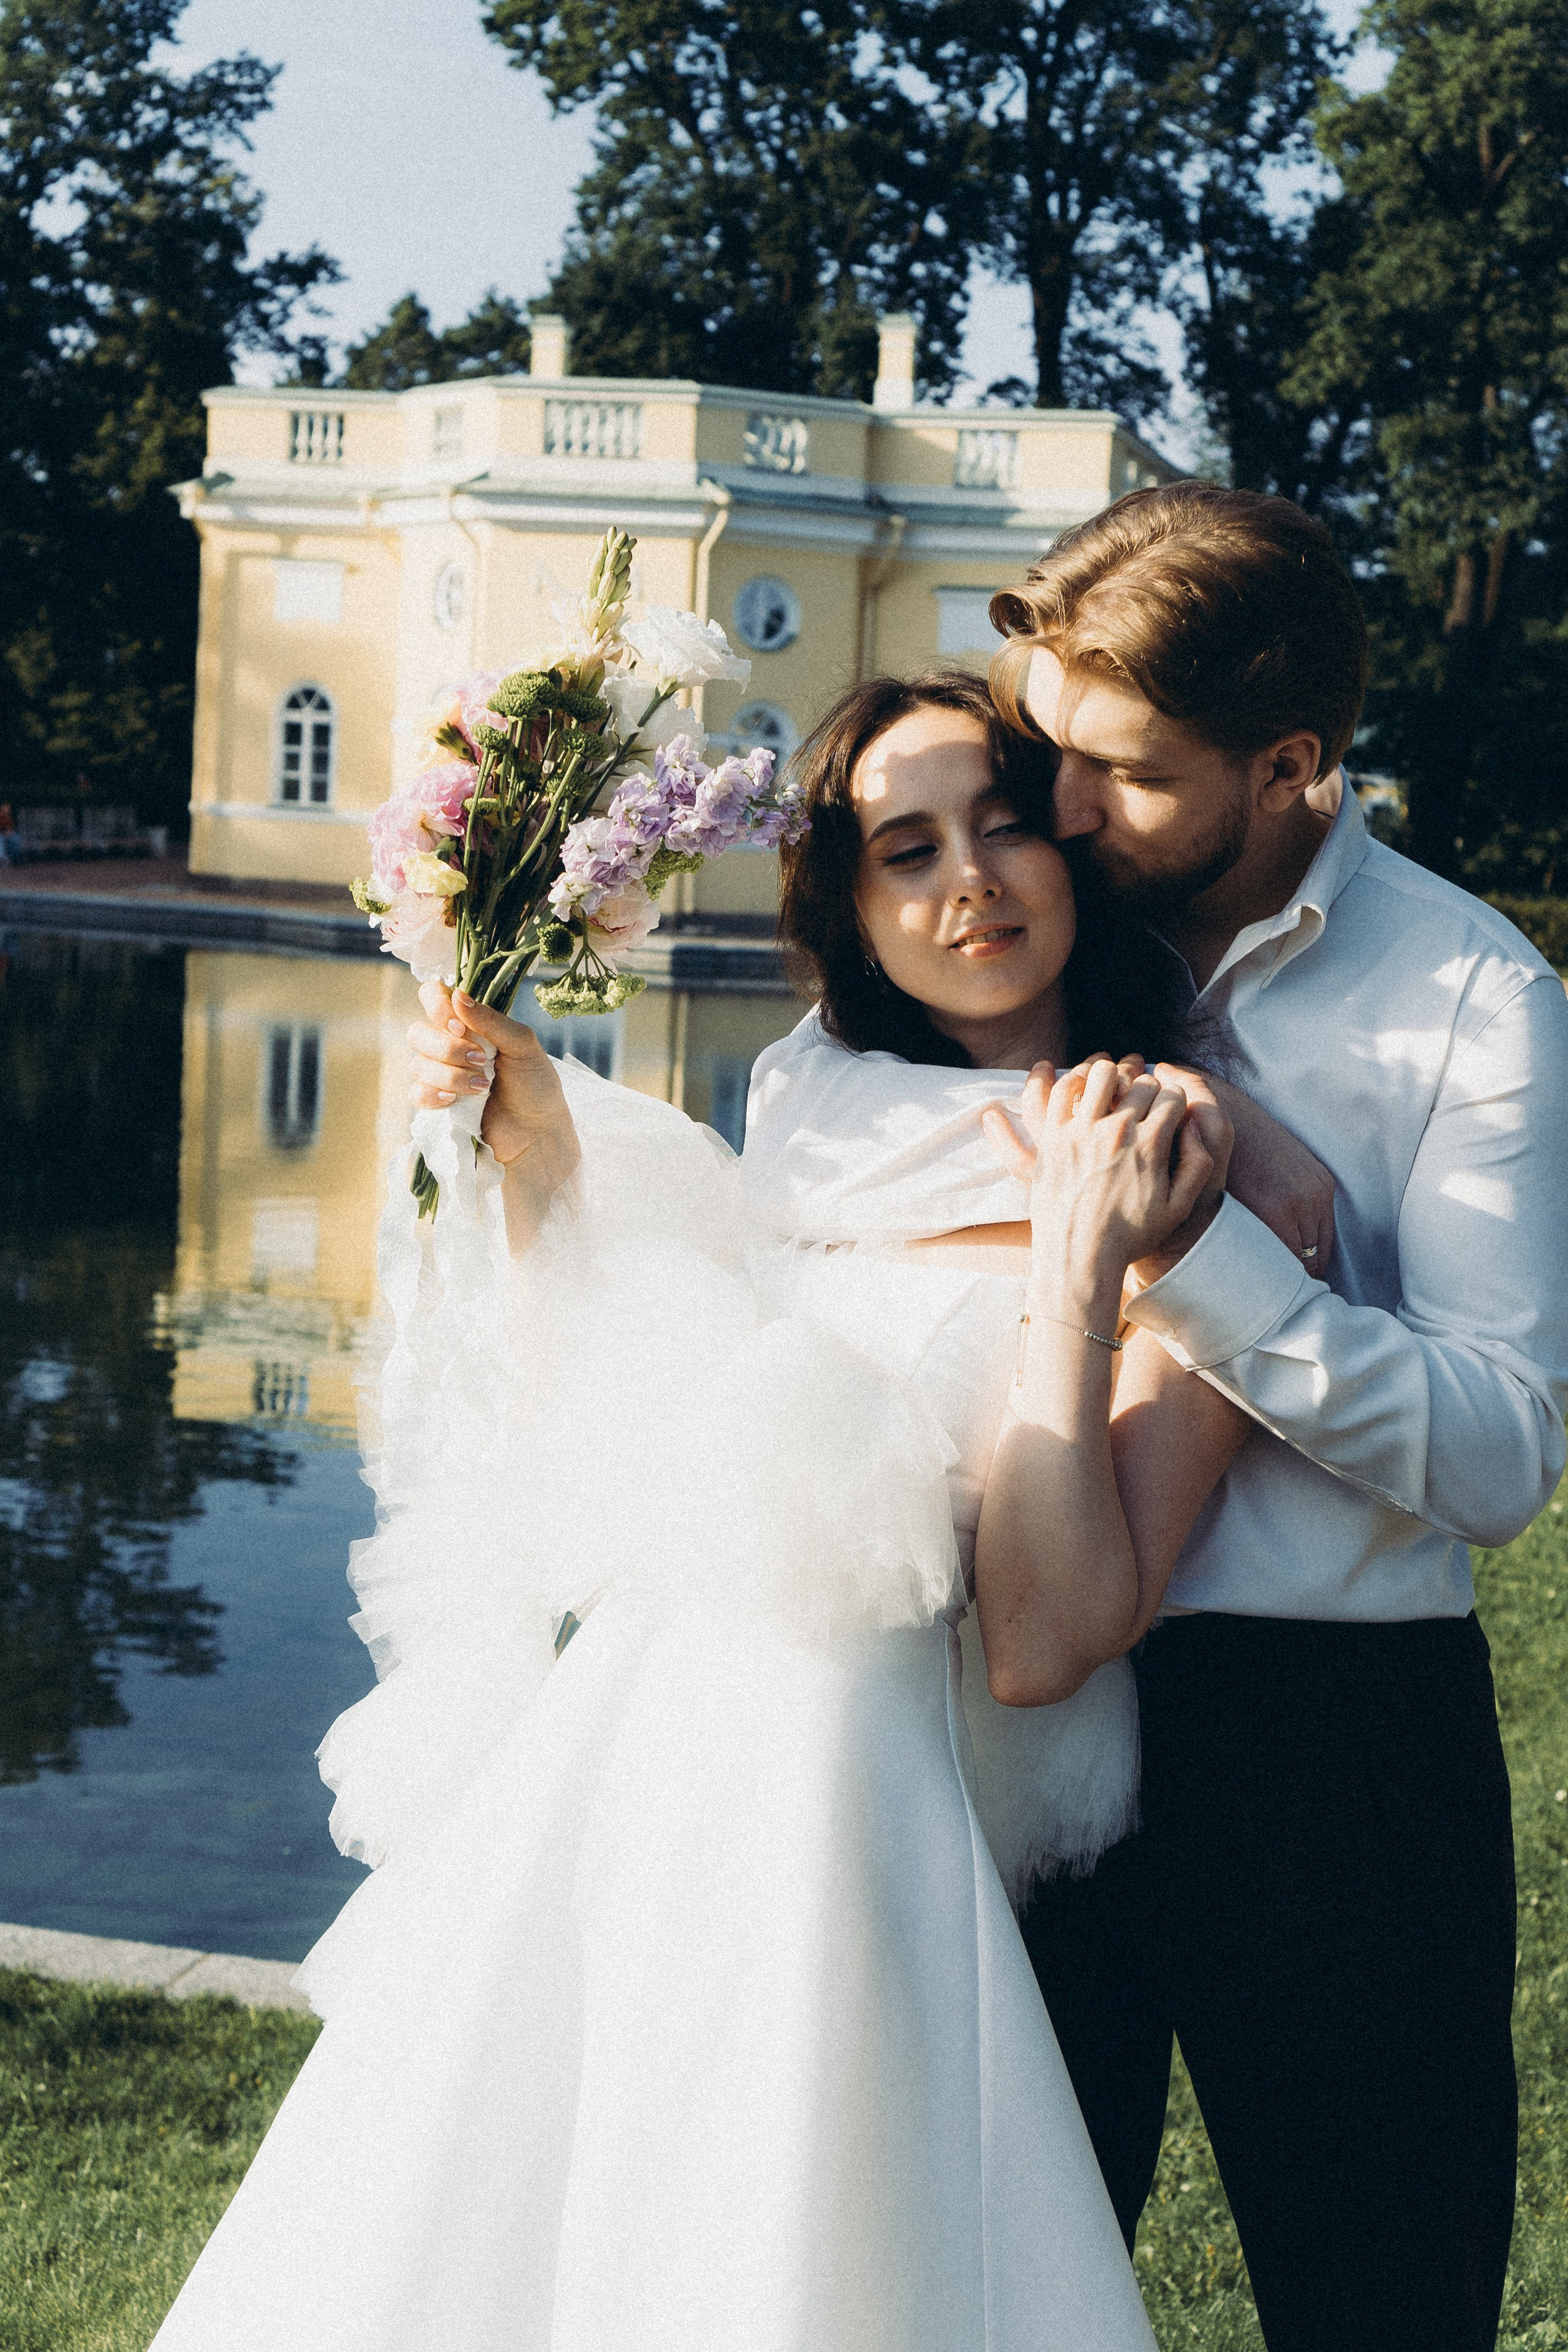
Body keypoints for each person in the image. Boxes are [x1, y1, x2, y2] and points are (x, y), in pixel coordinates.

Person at [145, 669, 1312, 2351]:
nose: (970, 882)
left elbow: (1052, 1638)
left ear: (1073, 844)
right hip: (671, 1745)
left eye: (1001, 826)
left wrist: (1080, 1266)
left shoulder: (1178, 1158)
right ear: (848, 907)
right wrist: (544, 1169)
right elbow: (635, 1457)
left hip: (906, 1767)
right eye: (906, 851)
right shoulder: (815, 1124)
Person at [764, 488, 1568, 2352]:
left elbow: (1508, 1450)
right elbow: (806, 1152)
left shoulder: (1480, 1004)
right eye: (1048, 748)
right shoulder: (1008, 956)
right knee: (983, 2291)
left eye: (1111, 775)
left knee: (1382, 2299)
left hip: (1334, 1749)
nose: (1051, 815)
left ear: (1287, 767)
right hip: (1008, 1742)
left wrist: (1202, 1260)